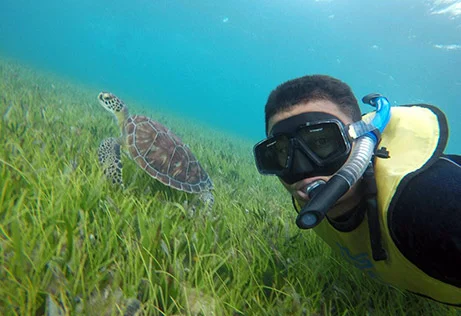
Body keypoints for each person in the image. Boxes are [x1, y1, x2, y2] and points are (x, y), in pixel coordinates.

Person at [253, 74, 461, 305]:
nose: (302, 169)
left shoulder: (434, 206)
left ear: (363, 140)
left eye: (322, 142)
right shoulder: (305, 197)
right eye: (282, 153)